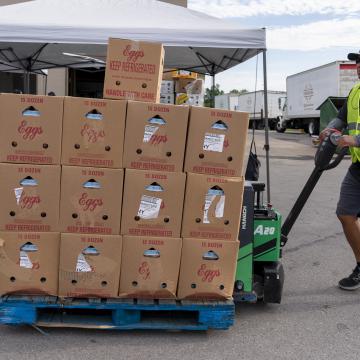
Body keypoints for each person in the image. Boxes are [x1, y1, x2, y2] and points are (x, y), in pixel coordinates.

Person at [320, 51, 360, 290]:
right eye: (358, 63)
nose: (358, 67)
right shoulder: (355, 92)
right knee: (345, 214)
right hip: (358, 168)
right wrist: (329, 129)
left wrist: (354, 141)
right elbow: (342, 117)